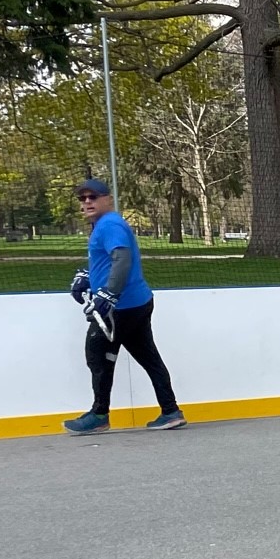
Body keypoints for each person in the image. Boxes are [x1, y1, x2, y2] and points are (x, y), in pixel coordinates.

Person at [64, 178, 184, 434]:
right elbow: (111, 261)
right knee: (148, 357)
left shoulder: (109, 224)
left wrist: (109, 294)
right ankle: (171, 411)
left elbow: (122, 259)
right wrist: (89, 276)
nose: (87, 202)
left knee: (97, 355)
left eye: (93, 197)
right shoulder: (106, 224)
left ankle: (99, 415)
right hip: (137, 302)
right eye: (82, 198)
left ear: (108, 199)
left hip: (120, 308)